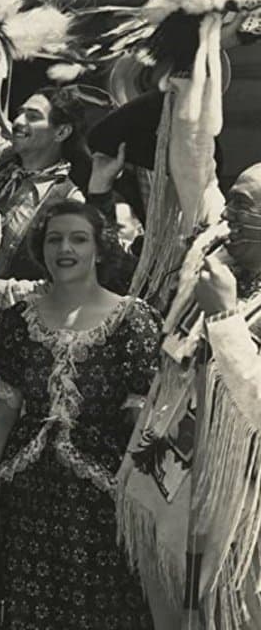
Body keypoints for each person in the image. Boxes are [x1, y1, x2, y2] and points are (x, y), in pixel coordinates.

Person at [0, 200, 160, 629]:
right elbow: (3, 412)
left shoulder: (132, 320)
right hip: (26, 500)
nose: (65, 248)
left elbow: (144, 424)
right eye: (54, 238)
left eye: (79, 239)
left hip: (103, 507)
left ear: (99, 249)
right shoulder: (21, 320)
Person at [118, 161, 261, 630]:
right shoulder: (215, 267)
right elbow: (193, 165)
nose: (228, 220)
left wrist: (223, 320)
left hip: (239, 510)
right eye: (231, 204)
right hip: (176, 482)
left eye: (243, 207)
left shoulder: (221, 289)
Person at [0, 86, 93, 281]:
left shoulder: (69, 202)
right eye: (20, 113)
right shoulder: (1, 164)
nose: (17, 122)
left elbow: (60, 281)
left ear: (61, 132)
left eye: (33, 117)